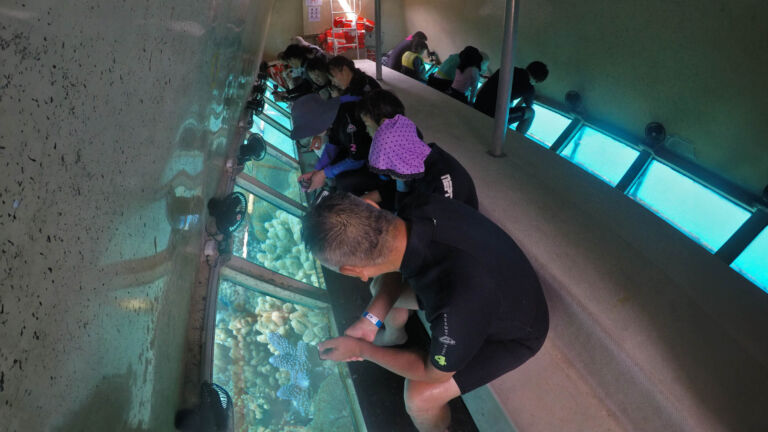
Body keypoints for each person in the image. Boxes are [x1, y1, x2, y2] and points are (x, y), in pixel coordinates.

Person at [303, 192, 549, 432]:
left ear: (353, 272)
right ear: (372, 207)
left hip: (519, 330)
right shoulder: (416, 203)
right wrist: (370, 320)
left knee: (419, 397)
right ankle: (393, 336)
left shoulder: (453, 307)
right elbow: (391, 264)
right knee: (381, 284)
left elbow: (432, 374)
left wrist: (361, 350)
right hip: (498, 276)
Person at [358, 89, 478, 211]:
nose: (366, 131)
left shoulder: (439, 185)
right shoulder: (413, 151)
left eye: (367, 125)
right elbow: (396, 188)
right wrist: (359, 201)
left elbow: (440, 224)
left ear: (385, 125)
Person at [473, 61, 549, 134]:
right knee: (531, 113)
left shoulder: (507, 69)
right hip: (492, 115)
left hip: (477, 105)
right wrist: (531, 97)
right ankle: (517, 137)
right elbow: (529, 105)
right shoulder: (529, 87)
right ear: (536, 80)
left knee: (509, 102)